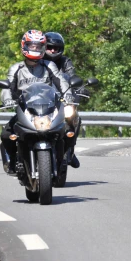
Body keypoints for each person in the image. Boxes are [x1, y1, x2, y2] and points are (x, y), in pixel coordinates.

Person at [0, 30, 74, 176]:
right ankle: (13, 162)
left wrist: (68, 96)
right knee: (6, 134)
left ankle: (62, 160)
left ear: (43, 47)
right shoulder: (17, 68)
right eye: (31, 46)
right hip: (26, 109)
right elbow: (7, 86)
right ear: (24, 46)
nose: (35, 49)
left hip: (48, 109)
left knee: (66, 131)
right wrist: (7, 99)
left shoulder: (49, 66)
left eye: (38, 46)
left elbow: (62, 82)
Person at [43, 32, 81, 169]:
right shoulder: (38, 62)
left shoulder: (65, 62)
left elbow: (72, 76)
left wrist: (79, 89)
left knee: (74, 117)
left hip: (61, 99)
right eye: (50, 47)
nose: (53, 50)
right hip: (43, 100)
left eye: (56, 48)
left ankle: (70, 150)